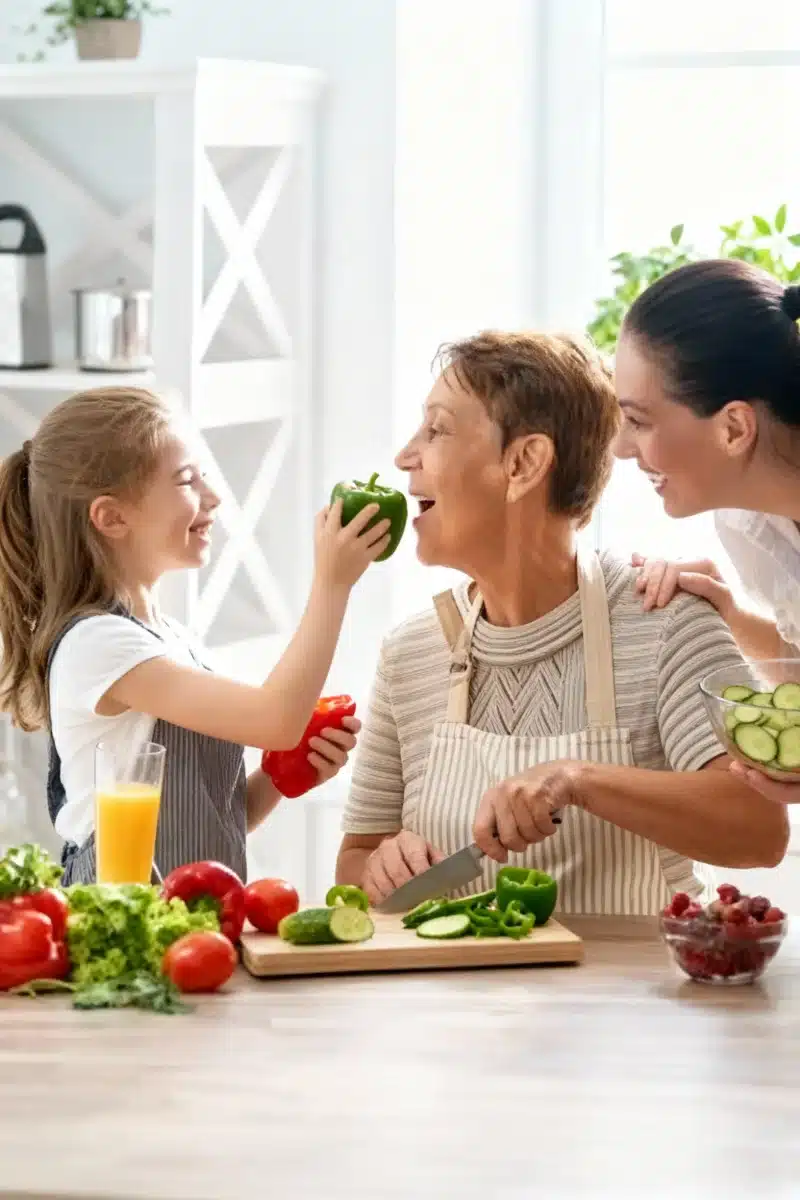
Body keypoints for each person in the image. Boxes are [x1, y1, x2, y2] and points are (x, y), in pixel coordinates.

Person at [335, 331, 789, 913]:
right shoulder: (411, 652)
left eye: (437, 430)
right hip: (452, 1004)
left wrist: (578, 779)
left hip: (632, 1003)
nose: (405, 456)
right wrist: (379, 866)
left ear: (523, 462)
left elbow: (758, 828)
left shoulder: (665, 620)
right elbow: (356, 860)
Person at [0, 387, 390, 884]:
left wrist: (276, 780)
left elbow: (214, 823)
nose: (213, 496)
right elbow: (276, 719)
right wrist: (333, 583)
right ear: (112, 517)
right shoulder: (97, 645)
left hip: (195, 921)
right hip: (126, 927)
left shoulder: (169, 642)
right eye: (187, 480)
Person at [613, 257, 800, 803]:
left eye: (639, 421)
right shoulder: (748, 525)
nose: (621, 448)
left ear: (734, 427)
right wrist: (732, 616)